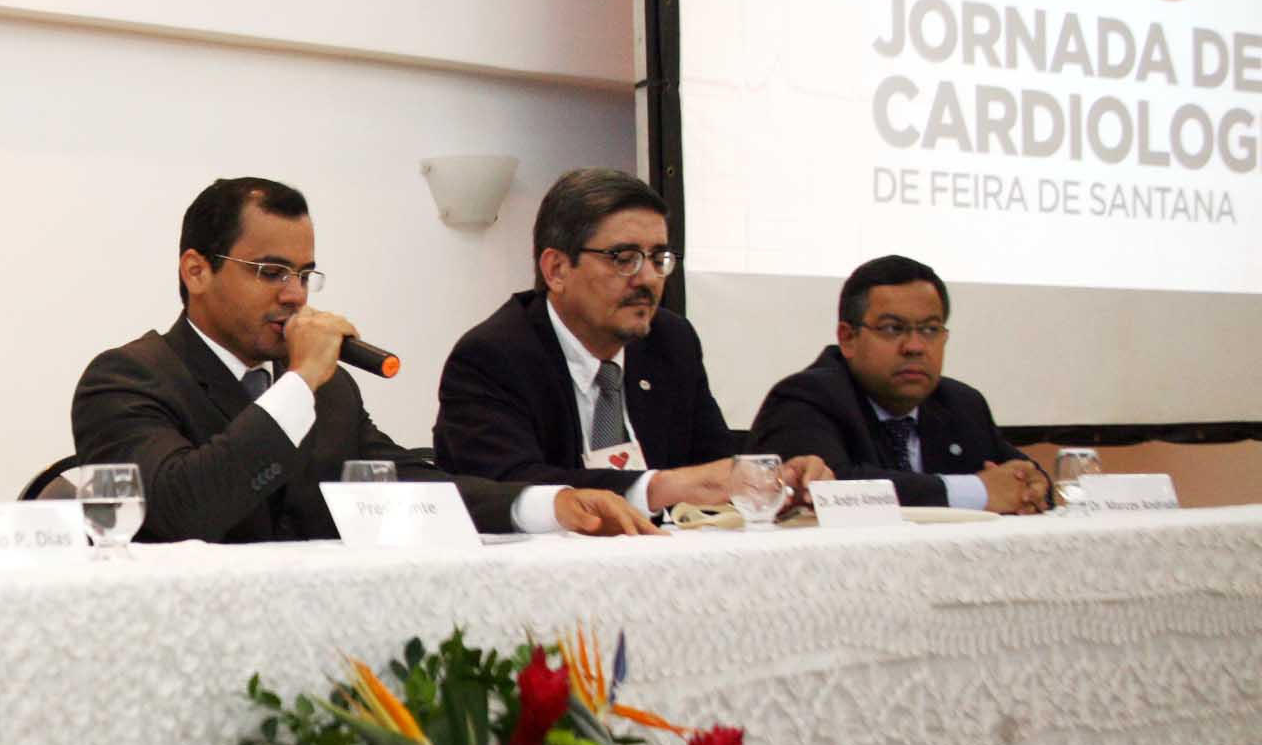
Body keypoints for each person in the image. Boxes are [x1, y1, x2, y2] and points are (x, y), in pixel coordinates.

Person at [71, 177, 654, 542]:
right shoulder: (128, 378)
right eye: (272, 272)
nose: (296, 295)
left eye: (304, 275)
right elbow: (184, 509)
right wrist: (298, 381)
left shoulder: (329, 392)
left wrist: (546, 505)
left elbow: (405, 485)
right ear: (197, 270)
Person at [433, 167, 830, 514]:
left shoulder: (671, 342)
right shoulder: (494, 356)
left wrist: (773, 485)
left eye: (658, 258)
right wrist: (657, 488)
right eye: (623, 258)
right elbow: (509, 488)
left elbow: (713, 466)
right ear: (556, 269)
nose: (647, 279)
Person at [748, 255, 1048, 513]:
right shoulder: (805, 398)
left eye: (930, 329)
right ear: (847, 337)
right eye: (893, 329)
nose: (915, 346)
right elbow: (834, 489)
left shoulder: (962, 404)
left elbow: (1021, 479)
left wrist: (1033, 485)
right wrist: (977, 491)